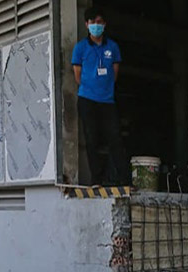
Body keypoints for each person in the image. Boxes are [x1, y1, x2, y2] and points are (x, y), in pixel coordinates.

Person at [72, 7, 128, 185]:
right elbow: (77, 76)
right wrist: (92, 87)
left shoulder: (113, 47)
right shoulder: (80, 48)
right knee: (92, 139)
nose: (97, 25)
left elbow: (115, 72)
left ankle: (124, 179)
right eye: (93, 22)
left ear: (105, 24)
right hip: (87, 100)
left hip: (107, 101)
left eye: (100, 22)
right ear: (87, 24)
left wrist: (104, 89)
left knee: (115, 139)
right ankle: (96, 179)